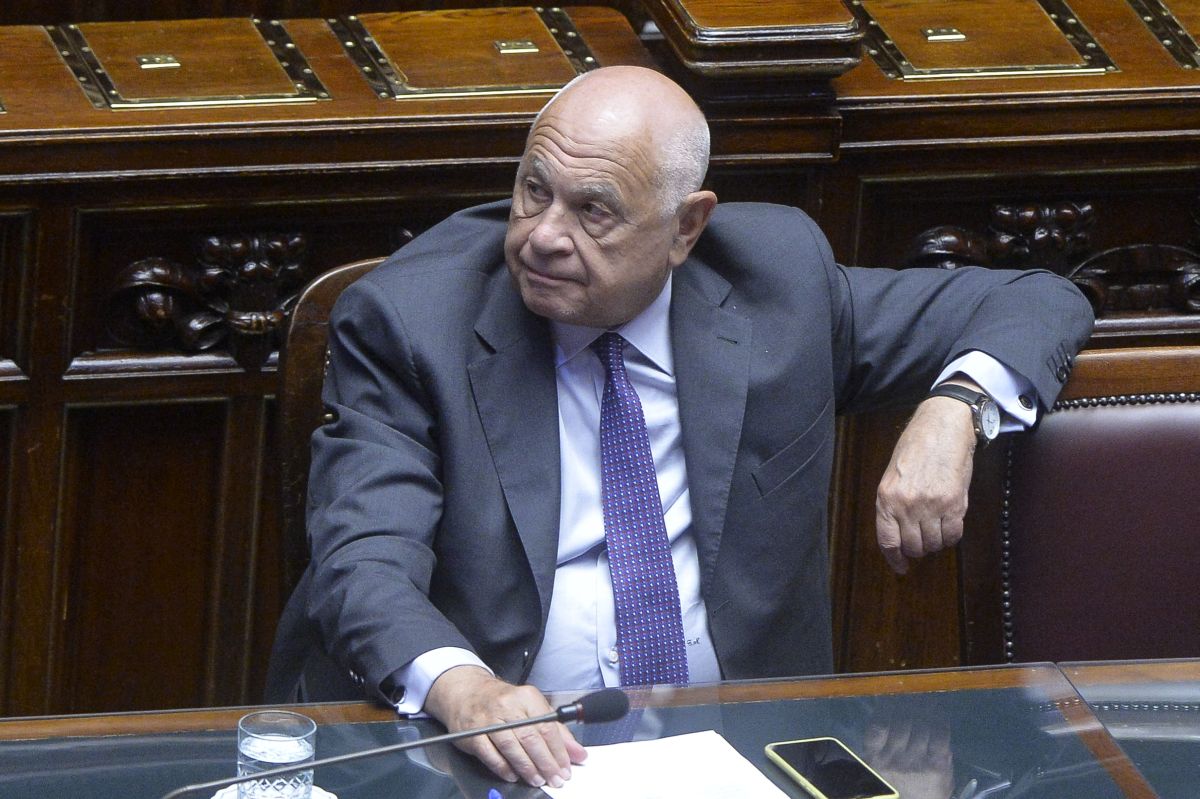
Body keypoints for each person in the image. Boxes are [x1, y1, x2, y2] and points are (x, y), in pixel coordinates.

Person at [267, 66, 1093, 788]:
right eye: (534, 190)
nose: (544, 236)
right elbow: (363, 558)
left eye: (594, 210)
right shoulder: (413, 319)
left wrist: (954, 410)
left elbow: (1039, 299)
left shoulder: (778, 285)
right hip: (475, 765)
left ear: (686, 228)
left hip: (746, 760)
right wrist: (462, 686)